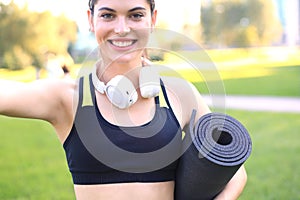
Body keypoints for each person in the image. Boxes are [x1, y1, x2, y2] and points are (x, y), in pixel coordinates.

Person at [0, 0, 248, 199]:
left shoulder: (177, 94)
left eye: (135, 15)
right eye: (108, 15)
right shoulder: (67, 98)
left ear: (153, 20)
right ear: (91, 20)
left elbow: (234, 170)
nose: (121, 28)